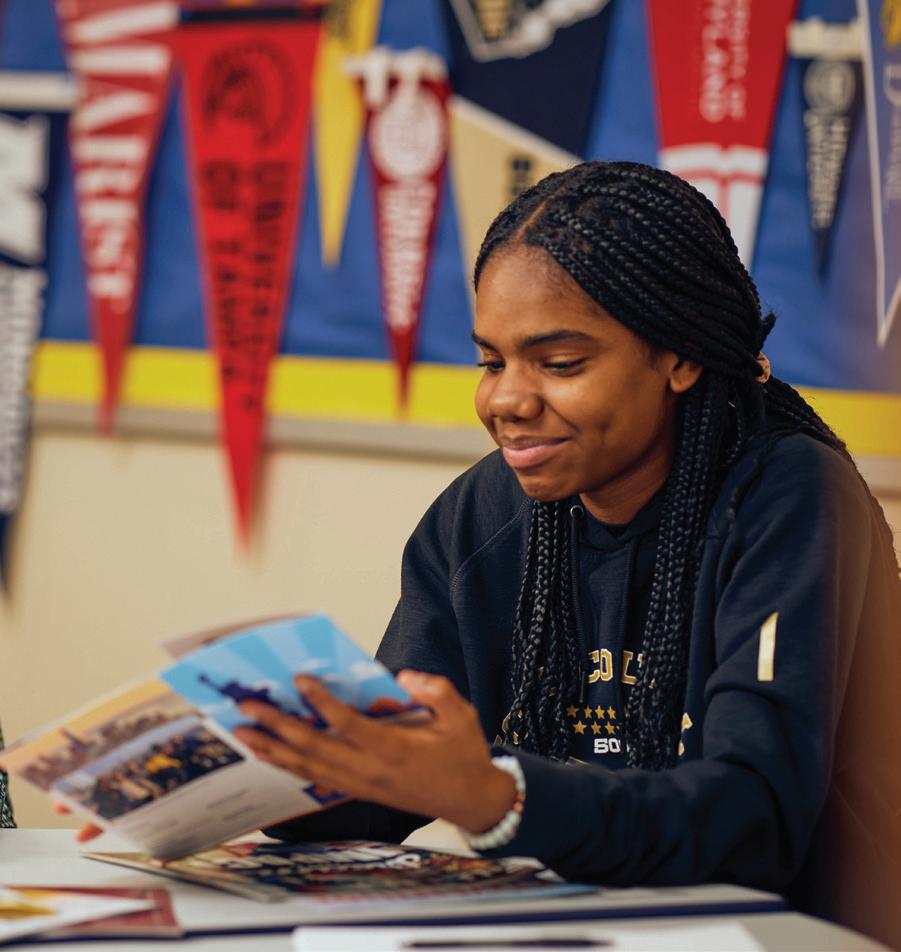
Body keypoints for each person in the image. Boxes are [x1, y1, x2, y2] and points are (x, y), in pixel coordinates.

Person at [83, 161, 901, 943]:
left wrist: (494, 793)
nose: (506, 400)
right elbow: (391, 786)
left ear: (679, 357)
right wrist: (254, 772)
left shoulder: (790, 496)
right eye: (489, 361)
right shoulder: (487, 511)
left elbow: (752, 821)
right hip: (579, 929)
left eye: (560, 363)